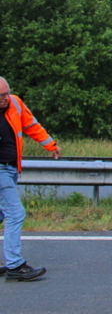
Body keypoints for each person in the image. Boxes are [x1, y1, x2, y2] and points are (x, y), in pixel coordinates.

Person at [0, 77, 60, 282]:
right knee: (16, 213)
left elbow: (31, 125)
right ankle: (15, 265)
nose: (6, 98)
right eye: (1, 96)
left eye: (7, 93)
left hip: (10, 168)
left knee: (1, 214)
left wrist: (50, 145)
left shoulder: (15, 103)